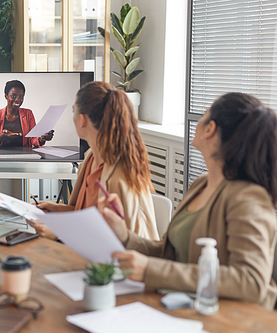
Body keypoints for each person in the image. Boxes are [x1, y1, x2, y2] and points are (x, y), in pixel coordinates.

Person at [99, 92, 277, 310]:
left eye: (203, 115)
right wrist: (125, 236)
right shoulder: (201, 184)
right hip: (183, 307)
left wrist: (151, 271)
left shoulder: (247, 198)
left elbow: (251, 281)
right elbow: (170, 253)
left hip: (227, 319)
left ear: (210, 128)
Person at [29, 81, 159, 241]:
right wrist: (55, 209)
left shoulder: (118, 178)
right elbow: (86, 215)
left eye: (73, 111)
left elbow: (110, 241)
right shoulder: (91, 158)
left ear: (82, 119)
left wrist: (56, 235)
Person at [0, 80, 54, 148]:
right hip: (1, 154)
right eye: (13, 96)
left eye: (21, 97)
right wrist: (2, 136)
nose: (18, 99)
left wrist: (42, 139)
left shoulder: (28, 114)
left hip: (24, 155)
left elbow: (32, 139)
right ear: (6, 96)